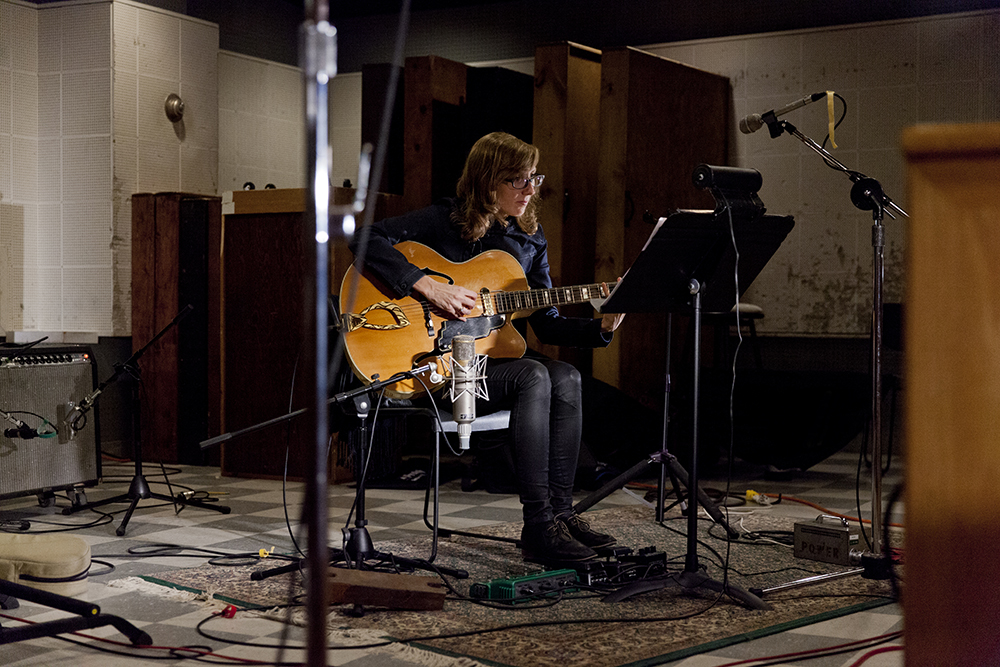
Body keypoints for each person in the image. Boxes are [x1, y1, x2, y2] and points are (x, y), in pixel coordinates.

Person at [350, 131, 625, 561]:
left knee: (567, 376)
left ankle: (561, 515)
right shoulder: (446, 220)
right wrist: (427, 288)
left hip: (491, 361)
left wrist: (601, 327)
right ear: (487, 181)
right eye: (517, 180)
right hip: (444, 366)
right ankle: (538, 526)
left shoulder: (530, 240)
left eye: (534, 178)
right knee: (534, 375)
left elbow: (547, 327)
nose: (530, 190)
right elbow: (364, 238)